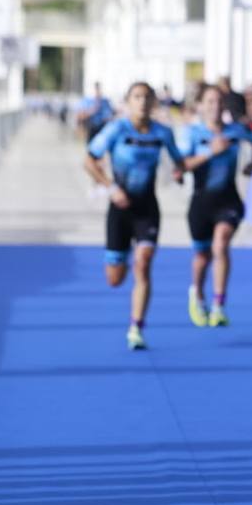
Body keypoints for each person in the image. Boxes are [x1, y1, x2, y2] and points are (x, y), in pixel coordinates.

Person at [83, 82, 185, 351]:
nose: (142, 102)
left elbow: (179, 161)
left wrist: (180, 172)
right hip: (120, 208)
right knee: (115, 279)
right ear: (128, 102)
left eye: (147, 98)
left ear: (153, 103)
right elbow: (88, 160)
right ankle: (122, 259)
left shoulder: (162, 133)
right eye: (137, 97)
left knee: (144, 262)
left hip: (147, 208)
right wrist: (111, 187)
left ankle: (136, 327)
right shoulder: (117, 129)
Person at [180, 84, 252, 328]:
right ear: (201, 106)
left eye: (219, 102)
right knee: (202, 256)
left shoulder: (235, 131)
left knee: (221, 243)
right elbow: (182, 164)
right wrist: (209, 153)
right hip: (201, 201)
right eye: (210, 102)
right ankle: (197, 293)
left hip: (229, 200)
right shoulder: (192, 133)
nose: (215, 107)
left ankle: (219, 304)